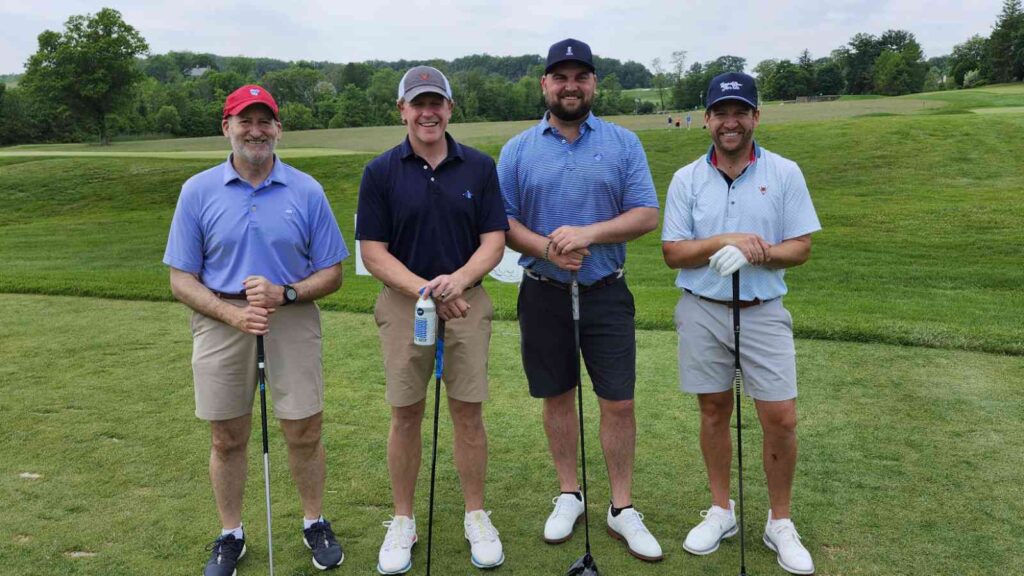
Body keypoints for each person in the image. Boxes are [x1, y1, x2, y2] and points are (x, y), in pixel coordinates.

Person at [163, 84, 349, 575]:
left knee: (304, 428)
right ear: (226, 127)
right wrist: (232, 314)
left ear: (279, 129)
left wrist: (284, 293)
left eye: (265, 121)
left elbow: (332, 272)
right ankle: (231, 533)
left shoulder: (306, 189)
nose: (256, 130)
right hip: (222, 318)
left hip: (290, 317)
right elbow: (181, 278)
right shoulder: (197, 191)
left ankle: (314, 521)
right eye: (245, 120)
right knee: (226, 435)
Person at [498, 38, 663, 562]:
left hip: (606, 292)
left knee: (619, 401)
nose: (571, 86)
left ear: (594, 84)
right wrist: (547, 246)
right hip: (544, 293)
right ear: (545, 84)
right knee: (558, 396)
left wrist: (587, 235)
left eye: (581, 76)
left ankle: (621, 506)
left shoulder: (622, 143)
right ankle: (569, 492)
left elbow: (644, 214)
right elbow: (501, 224)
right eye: (560, 77)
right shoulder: (519, 149)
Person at [661, 72, 821, 575]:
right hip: (701, 308)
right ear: (706, 118)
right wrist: (723, 240)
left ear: (756, 116)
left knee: (781, 418)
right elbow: (673, 252)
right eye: (721, 112)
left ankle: (779, 522)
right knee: (713, 410)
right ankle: (721, 510)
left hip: (763, 311)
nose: (731, 122)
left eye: (740, 111)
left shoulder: (786, 172)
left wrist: (759, 252)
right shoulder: (687, 178)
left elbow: (801, 248)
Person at [356, 65, 508, 574]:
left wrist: (457, 282)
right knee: (405, 413)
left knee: (468, 412)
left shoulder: (479, 167)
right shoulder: (380, 171)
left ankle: (475, 514)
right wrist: (426, 289)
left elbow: (494, 241)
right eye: (417, 103)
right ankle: (402, 519)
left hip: (467, 300)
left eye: (436, 103)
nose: (428, 112)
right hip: (405, 305)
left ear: (449, 108)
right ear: (402, 110)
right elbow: (374, 252)